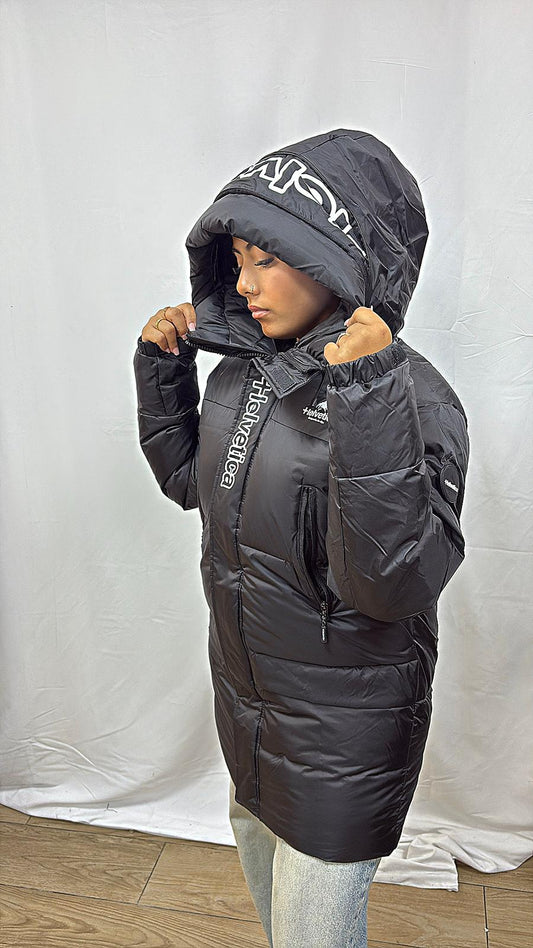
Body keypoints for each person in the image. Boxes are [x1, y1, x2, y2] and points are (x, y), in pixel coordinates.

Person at [133, 128, 470, 947]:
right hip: (248, 703)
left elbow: (390, 584)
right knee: (275, 913)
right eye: (236, 260)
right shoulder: (243, 371)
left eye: (268, 259)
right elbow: (196, 488)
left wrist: (366, 395)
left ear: (339, 259)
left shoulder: (415, 399)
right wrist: (163, 370)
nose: (246, 284)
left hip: (345, 732)